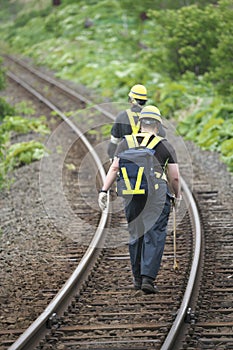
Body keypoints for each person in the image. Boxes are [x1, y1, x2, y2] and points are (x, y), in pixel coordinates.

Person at [99, 105, 181, 294]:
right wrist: (177, 195)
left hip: (132, 193)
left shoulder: (125, 143)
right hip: (157, 196)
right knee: (155, 233)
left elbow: (114, 169)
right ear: (158, 125)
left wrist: (104, 190)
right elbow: (174, 176)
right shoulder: (164, 145)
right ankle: (148, 279)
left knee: (136, 234)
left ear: (139, 123)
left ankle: (137, 278)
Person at [107, 84, 166, 160]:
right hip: (149, 160)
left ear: (130, 99)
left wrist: (112, 158)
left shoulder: (122, 116)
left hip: (127, 160)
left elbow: (114, 142)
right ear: (144, 101)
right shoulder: (153, 116)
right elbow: (162, 135)